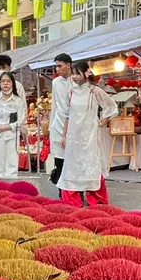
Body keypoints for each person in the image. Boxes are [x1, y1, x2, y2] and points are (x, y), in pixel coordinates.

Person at [58, 60, 117, 206]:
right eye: (73, 74)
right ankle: (72, 198)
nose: (75, 77)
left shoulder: (94, 91)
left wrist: (103, 120)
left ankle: (95, 197)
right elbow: (67, 115)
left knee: (91, 164)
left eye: (77, 74)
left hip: (90, 135)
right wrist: (64, 135)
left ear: (86, 73)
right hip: (73, 135)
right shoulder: (71, 92)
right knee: (72, 165)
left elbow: (111, 106)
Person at [48, 52, 73, 188]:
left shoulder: (76, 80)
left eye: (59, 66)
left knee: (72, 158)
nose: (57, 69)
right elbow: (54, 105)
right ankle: (61, 188)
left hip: (73, 123)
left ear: (68, 65)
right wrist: (51, 127)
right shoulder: (55, 82)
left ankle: (73, 189)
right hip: (58, 123)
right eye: (56, 67)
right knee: (59, 159)